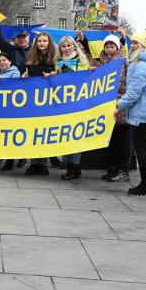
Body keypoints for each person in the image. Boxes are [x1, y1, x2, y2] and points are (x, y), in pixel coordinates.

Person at [116, 30, 146, 197]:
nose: (132, 45)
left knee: (139, 148)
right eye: (132, 42)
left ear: (144, 45)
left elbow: (134, 92)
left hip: (141, 110)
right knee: (140, 147)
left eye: (136, 43)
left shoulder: (140, 65)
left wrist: (119, 106)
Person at [91, 35, 132, 183]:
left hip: (121, 103)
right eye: (107, 47)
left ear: (117, 47)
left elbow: (129, 82)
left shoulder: (124, 62)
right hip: (107, 105)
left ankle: (124, 169)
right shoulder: (101, 62)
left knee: (123, 137)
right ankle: (114, 167)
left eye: (112, 46)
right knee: (113, 138)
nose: (109, 49)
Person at [53, 35, 93, 181]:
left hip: (77, 102)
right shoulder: (57, 62)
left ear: (74, 46)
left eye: (69, 45)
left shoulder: (82, 60)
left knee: (76, 134)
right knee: (65, 134)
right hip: (63, 103)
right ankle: (68, 164)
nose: (66, 48)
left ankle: (74, 167)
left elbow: (84, 79)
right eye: (63, 46)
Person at [22, 31, 57, 174]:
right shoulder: (30, 59)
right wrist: (24, 76)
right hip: (32, 101)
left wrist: (55, 75)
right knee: (32, 131)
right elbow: (25, 74)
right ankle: (33, 163)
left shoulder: (55, 59)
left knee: (43, 133)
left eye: (44, 41)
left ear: (49, 43)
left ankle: (42, 163)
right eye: (39, 41)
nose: (42, 43)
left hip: (48, 101)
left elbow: (64, 78)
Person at [0, 9, 31, 74]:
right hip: (14, 81)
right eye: (19, 37)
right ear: (15, 39)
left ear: (28, 37)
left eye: (23, 36)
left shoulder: (35, 50)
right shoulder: (11, 49)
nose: (21, 39)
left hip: (31, 81)